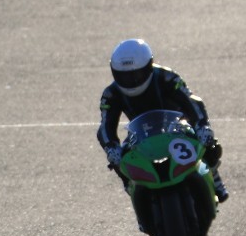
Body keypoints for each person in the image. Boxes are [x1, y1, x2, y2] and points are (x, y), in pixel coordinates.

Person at [97, 38, 228, 202]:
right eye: (123, 76)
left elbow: (191, 101)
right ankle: (132, 186)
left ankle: (213, 174)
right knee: (121, 158)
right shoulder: (111, 94)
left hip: (177, 126)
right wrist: (111, 147)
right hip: (141, 133)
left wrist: (202, 125)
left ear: (148, 67)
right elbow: (105, 127)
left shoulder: (166, 77)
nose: (130, 80)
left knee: (209, 143)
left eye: (135, 74)